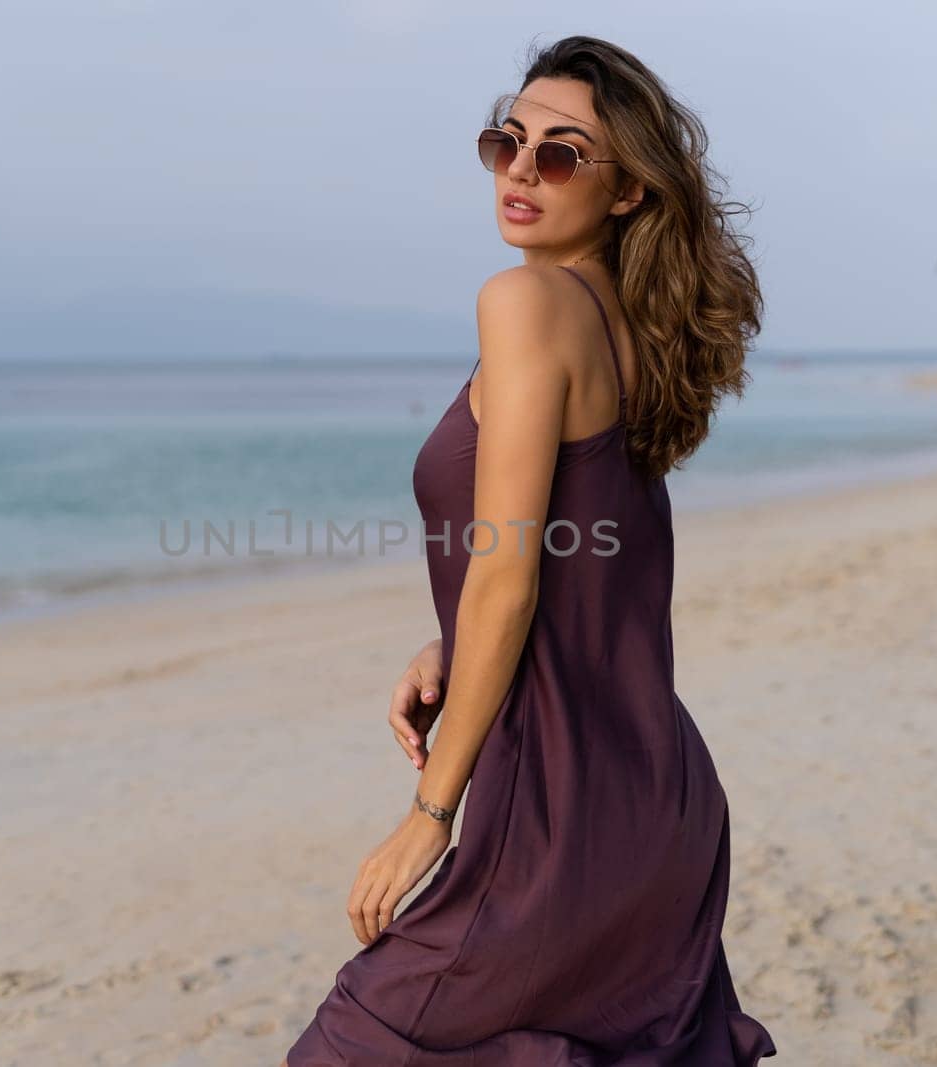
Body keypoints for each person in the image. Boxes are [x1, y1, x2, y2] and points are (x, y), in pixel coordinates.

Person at [284, 35, 777, 1065]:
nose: (520, 168)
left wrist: (430, 811)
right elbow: (582, 552)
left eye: (560, 153)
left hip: (553, 808)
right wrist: (450, 642)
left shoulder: (524, 304)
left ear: (629, 190)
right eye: (506, 139)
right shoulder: (623, 327)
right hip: (648, 793)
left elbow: (509, 574)